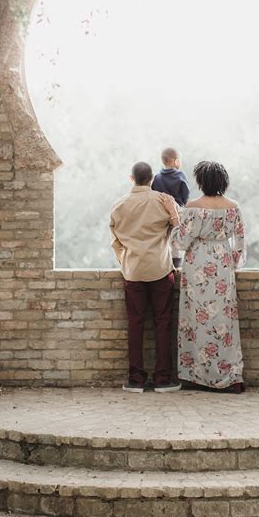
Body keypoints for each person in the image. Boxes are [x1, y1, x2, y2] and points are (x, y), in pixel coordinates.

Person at [159, 161, 246, 394]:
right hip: (223, 265)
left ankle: (198, 375)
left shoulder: (193, 206)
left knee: (197, 320)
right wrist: (231, 264)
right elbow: (239, 243)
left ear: (200, 181)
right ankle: (230, 376)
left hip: (198, 264)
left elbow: (180, 241)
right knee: (224, 322)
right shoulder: (233, 207)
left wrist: (175, 218)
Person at [110, 161, 181, 394]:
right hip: (160, 269)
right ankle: (162, 379)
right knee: (163, 323)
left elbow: (116, 241)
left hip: (133, 271)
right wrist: (173, 212)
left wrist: (126, 262)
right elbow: (179, 231)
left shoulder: (119, 205)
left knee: (135, 323)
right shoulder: (163, 200)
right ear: (151, 178)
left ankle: (136, 379)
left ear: (132, 178)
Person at [152, 147, 191, 268]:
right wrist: (183, 204)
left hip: (161, 211)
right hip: (177, 210)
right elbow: (186, 193)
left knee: (164, 236)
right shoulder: (180, 175)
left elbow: (153, 193)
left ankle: (163, 260)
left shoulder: (157, 177)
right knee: (176, 234)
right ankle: (176, 260)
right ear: (175, 161)